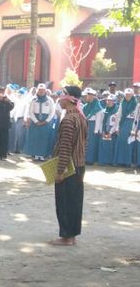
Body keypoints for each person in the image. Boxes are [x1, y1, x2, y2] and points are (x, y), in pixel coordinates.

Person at [50, 86, 87, 246]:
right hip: (79, 165)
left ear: (69, 99)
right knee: (75, 202)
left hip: (68, 167)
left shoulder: (68, 120)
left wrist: (59, 171)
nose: (59, 99)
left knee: (64, 202)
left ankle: (66, 236)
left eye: (61, 96)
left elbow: (65, 148)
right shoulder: (81, 117)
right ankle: (73, 235)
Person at [23, 84, 56, 160]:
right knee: (35, 138)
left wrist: (46, 121)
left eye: (43, 90)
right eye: (39, 90)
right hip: (35, 121)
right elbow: (30, 111)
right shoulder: (33, 99)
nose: (41, 92)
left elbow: (52, 112)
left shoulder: (49, 100)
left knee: (44, 138)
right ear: (37, 90)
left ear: (45, 90)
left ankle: (44, 154)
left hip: (46, 121)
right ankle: (36, 154)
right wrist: (36, 121)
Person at [113, 88, 137, 167]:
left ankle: (128, 162)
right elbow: (119, 115)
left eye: (129, 95)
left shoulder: (136, 104)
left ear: (132, 95)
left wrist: (134, 129)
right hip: (122, 124)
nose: (127, 96)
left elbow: (136, 118)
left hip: (131, 124)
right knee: (121, 142)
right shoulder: (122, 103)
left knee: (129, 143)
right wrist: (117, 127)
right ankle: (120, 161)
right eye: (126, 94)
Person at [95, 93, 119, 165]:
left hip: (112, 132)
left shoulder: (117, 111)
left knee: (111, 147)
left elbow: (117, 123)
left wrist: (110, 132)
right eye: (108, 100)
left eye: (111, 100)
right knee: (103, 146)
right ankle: (102, 161)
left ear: (114, 101)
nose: (109, 102)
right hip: (104, 131)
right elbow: (100, 121)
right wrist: (101, 131)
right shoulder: (103, 111)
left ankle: (111, 162)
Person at [81, 88, 102, 164]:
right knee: (85, 143)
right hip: (86, 125)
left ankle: (90, 160)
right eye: (87, 95)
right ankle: (85, 158)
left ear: (92, 96)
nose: (87, 97)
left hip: (93, 125)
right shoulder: (86, 105)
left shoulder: (97, 106)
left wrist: (96, 130)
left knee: (91, 143)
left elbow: (98, 119)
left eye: (88, 95)